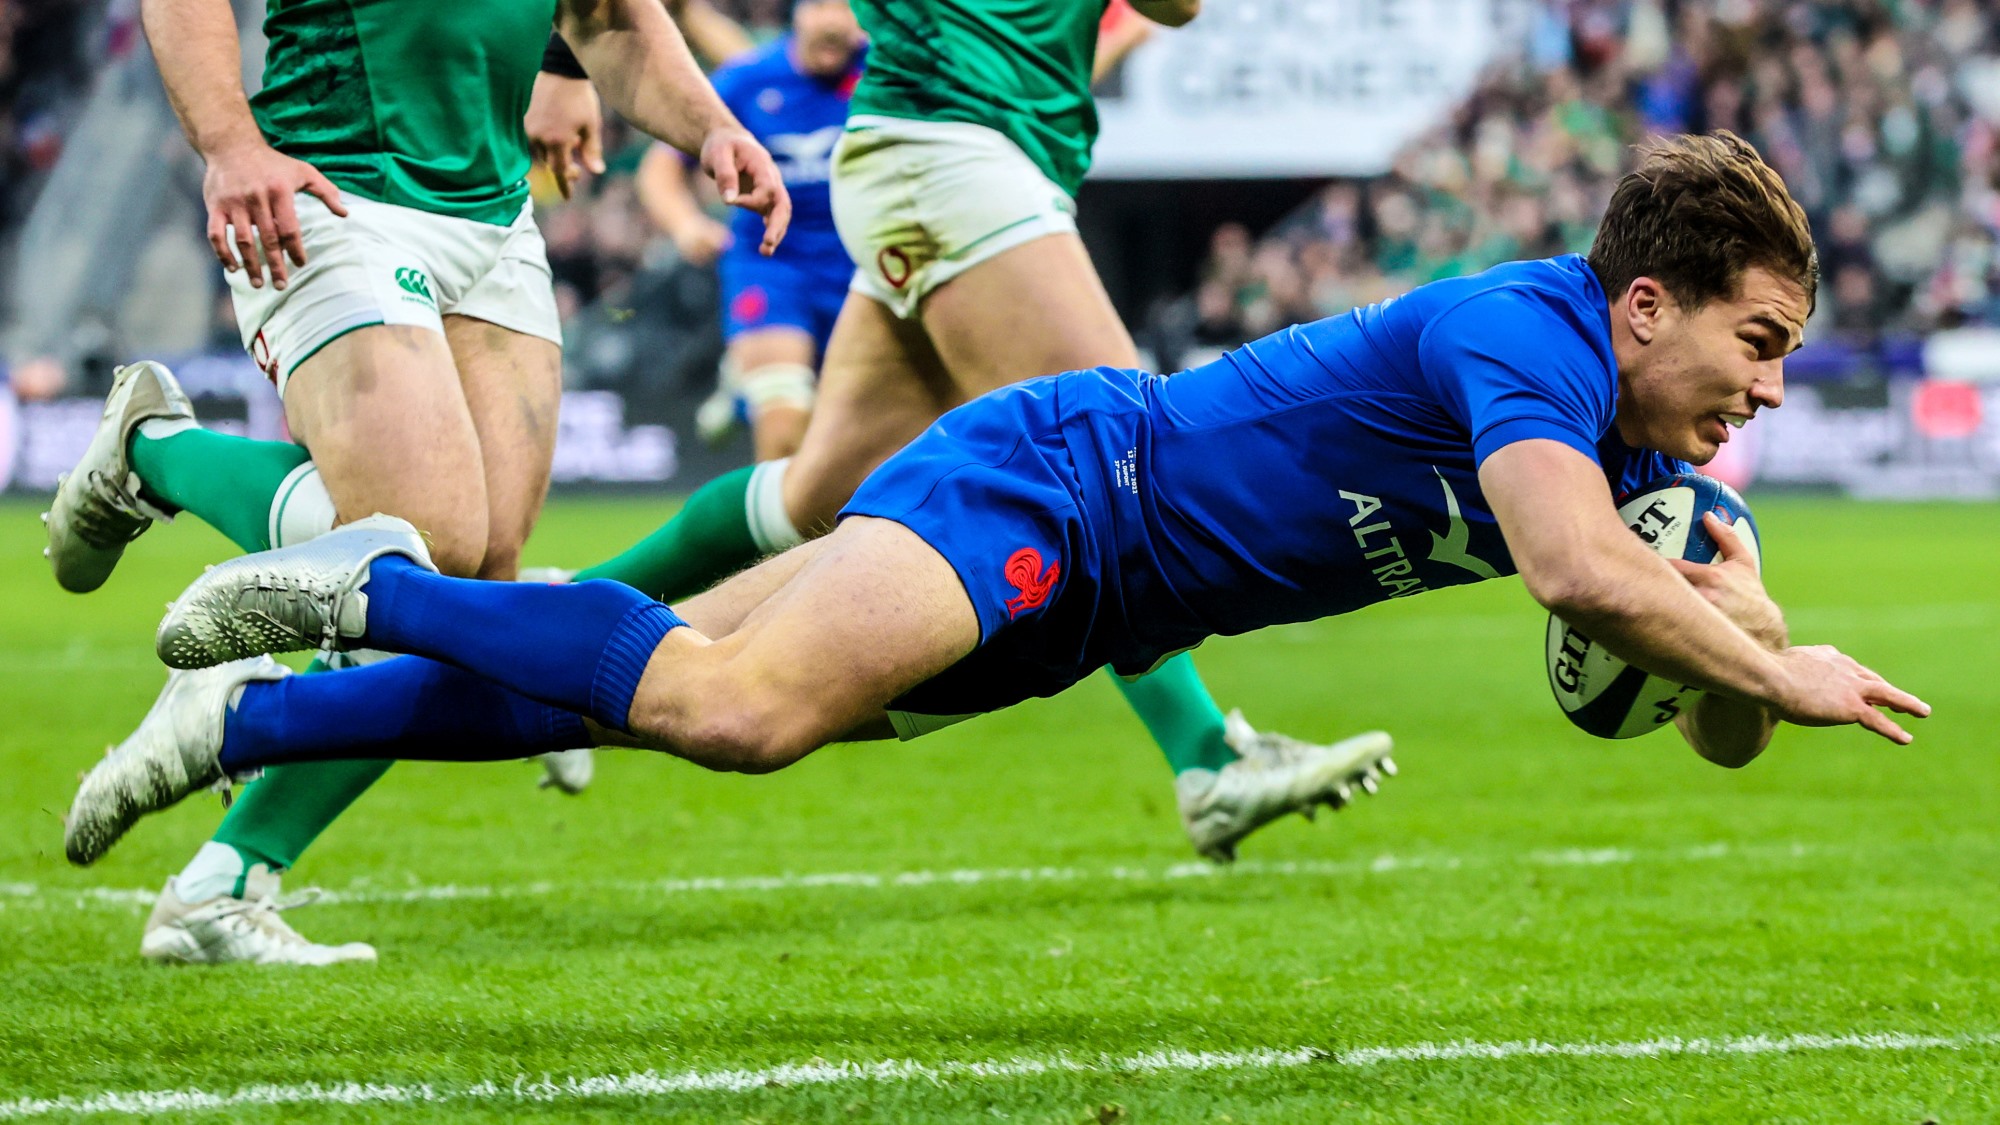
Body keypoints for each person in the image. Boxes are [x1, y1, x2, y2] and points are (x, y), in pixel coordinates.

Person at [68, 133, 1932, 875]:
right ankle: (362, 588)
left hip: (1108, 600)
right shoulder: (1524, 341)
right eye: (1754, 346)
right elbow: (1570, 572)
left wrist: (1747, 652)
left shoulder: (1658, 462)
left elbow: (1695, 720)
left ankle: (251, 713)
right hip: (1071, 482)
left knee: (654, 692)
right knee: (740, 713)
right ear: (1643, 306)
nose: (1766, 391)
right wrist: (1760, 656)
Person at [552, 0, 1391, 866]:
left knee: (814, 491)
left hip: (928, 145)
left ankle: (551, 630)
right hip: (958, 146)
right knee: (1127, 463)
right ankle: (1208, 758)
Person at [42, 0, 788, 965]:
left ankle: (222, 886)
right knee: (422, 545)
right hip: (335, 187)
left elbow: (612, 19)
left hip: (491, 214)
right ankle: (151, 453)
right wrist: (230, 144)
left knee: (463, 598)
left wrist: (716, 127)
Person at [634, 0, 868, 460]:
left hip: (864, 269)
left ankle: (739, 388)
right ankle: (755, 392)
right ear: (797, 14)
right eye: (821, 6)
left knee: (855, 437)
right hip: (772, 264)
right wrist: (685, 225)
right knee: (785, 426)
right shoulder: (747, 78)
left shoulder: (883, 74)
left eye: (848, 9)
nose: (834, 21)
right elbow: (659, 167)